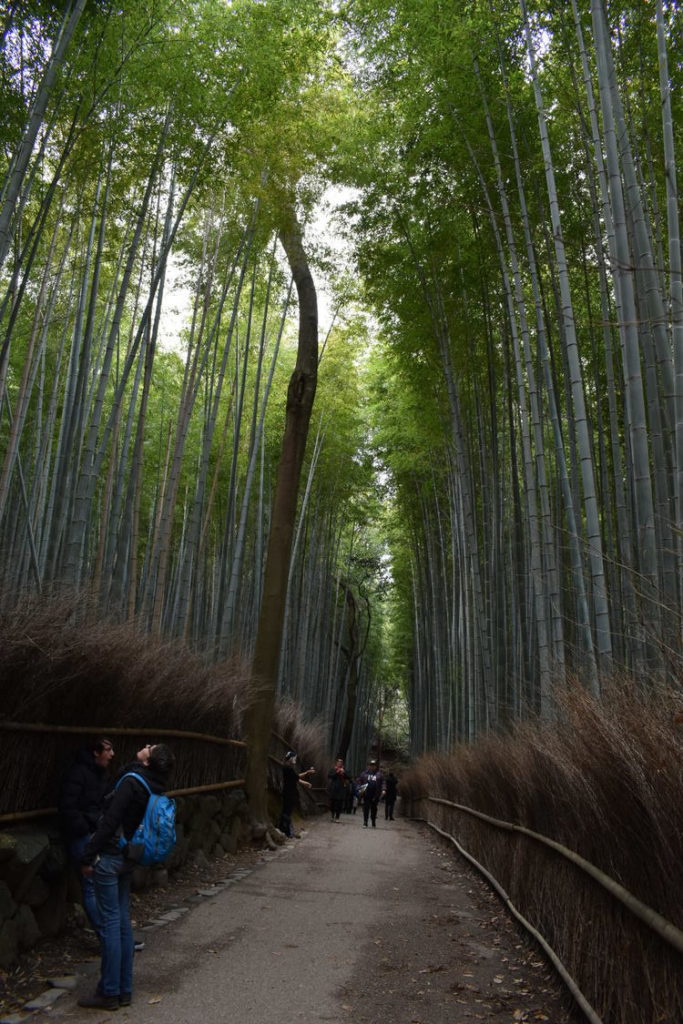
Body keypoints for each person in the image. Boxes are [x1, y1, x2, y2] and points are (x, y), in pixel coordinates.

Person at [77, 743, 175, 1011]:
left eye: (150, 748)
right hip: (129, 858)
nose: (145, 746)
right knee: (121, 923)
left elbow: (109, 822)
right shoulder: (156, 785)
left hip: (110, 858)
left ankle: (109, 991)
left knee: (111, 925)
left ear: (147, 761)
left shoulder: (133, 782)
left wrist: (88, 855)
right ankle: (124, 989)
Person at [59, 737, 115, 944]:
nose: (111, 754)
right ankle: (108, 939)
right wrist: (86, 828)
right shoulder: (78, 774)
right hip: (82, 836)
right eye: (108, 750)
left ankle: (113, 936)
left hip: (95, 833)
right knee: (91, 886)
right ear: (96, 752)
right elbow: (68, 806)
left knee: (102, 884)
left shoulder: (100, 774)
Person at [279, 750, 314, 838]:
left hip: (288, 791)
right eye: (294, 758)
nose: (295, 759)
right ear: (290, 758)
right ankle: (286, 831)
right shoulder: (288, 768)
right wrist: (306, 776)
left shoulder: (287, 767)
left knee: (286, 810)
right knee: (287, 810)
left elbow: (296, 777)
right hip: (289, 792)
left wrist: (306, 778)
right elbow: (297, 777)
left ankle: (284, 829)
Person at [357, 759, 384, 828]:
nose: (372, 767)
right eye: (371, 765)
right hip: (366, 793)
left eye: (373, 765)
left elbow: (382, 783)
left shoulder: (379, 774)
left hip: (375, 794)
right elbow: (360, 781)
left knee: (374, 808)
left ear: (375, 766)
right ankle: (365, 822)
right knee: (366, 808)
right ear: (369, 766)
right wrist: (360, 789)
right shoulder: (364, 774)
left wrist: (384, 789)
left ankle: (373, 821)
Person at [327, 756, 350, 822]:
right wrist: (337, 772)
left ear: (342, 764)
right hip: (334, 789)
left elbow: (349, 777)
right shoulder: (333, 769)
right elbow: (329, 776)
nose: (339, 764)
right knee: (332, 803)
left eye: (341, 763)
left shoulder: (345, 770)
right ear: (336, 763)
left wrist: (344, 773)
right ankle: (332, 815)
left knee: (339, 804)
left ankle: (337, 817)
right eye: (338, 762)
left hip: (341, 789)